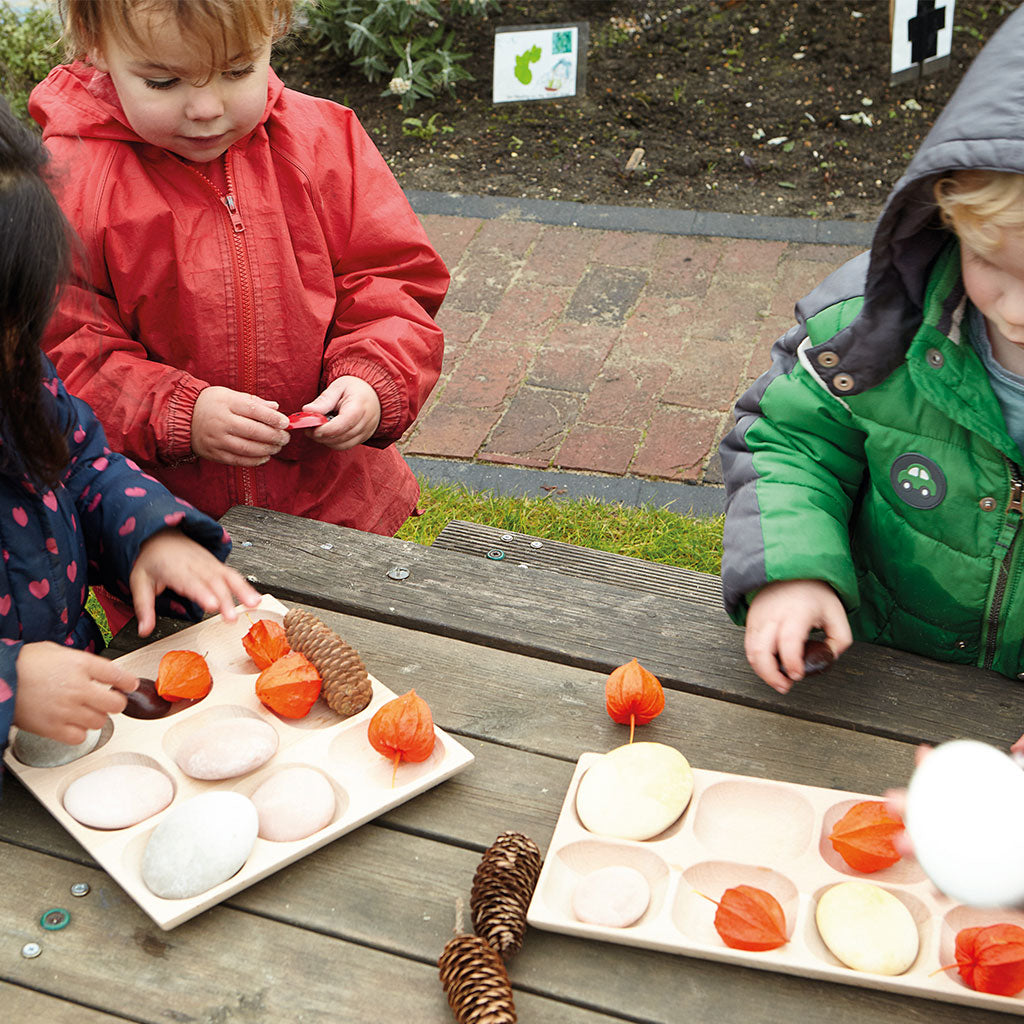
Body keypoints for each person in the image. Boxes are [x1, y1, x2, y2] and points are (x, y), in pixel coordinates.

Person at [29, 0, 448, 626]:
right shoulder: (70, 180)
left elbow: (392, 280)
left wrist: (373, 377)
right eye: (163, 82)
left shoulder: (322, 140)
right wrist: (175, 412)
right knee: (199, 701)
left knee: (360, 689)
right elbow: (64, 351)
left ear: (272, 35)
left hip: (337, 507)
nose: (205, 108)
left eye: (236, 70)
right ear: (95, 46)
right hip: (170, 530)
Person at [719, 6, 1024, 696]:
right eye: (990, 264)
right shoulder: (869, 331)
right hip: (881, 674)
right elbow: (790, 443)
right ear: (949, 221)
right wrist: (791, 569)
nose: (1013, 310)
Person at [0, 97, 260, 784]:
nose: (14, 358)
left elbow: (78, 464)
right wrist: (10, 683)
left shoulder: (15, 377)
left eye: (16, 333)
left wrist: (149, 533)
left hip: (64, 733)